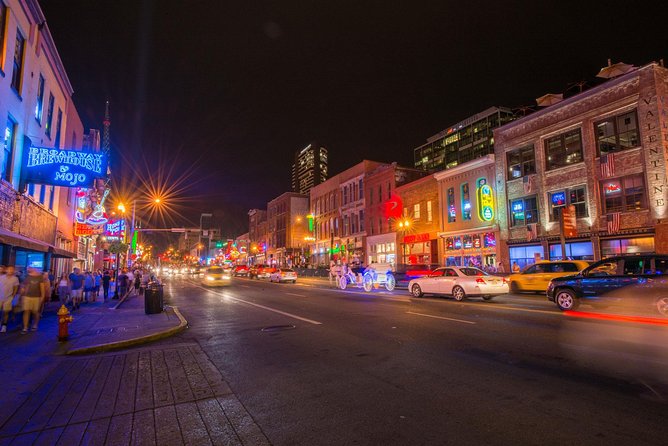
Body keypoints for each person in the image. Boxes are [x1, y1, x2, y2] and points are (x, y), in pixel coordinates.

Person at [21, 268, 45, 334]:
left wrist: (42, 297)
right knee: (26, 311)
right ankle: (25, 327)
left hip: (37, 297)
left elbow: (42, 287)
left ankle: (35, 324)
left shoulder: (40, 277)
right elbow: (24, 286)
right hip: (27, 296)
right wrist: (22, 294)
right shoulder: (27, 276)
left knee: (35, 312)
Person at [0, 266, 19, 333]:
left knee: (6, 312)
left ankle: (4, 326)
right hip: (0, 297)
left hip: (8, 298)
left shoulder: (15, 279)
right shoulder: (1, 277)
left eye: (12, 269)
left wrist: (13, 296)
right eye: (9, 269)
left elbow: (16, 288)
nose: (11, 270)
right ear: (6, 270)